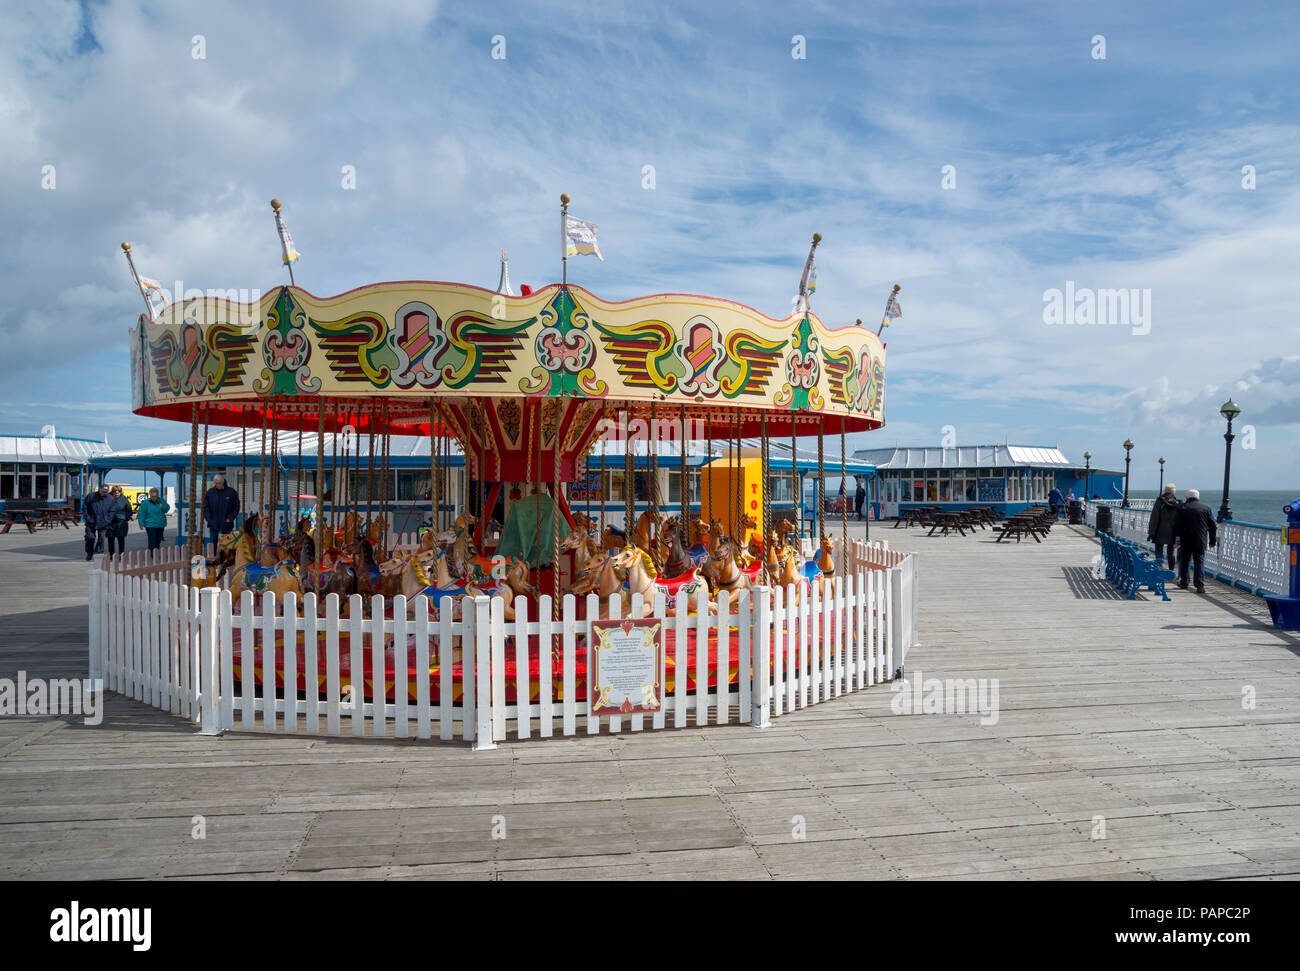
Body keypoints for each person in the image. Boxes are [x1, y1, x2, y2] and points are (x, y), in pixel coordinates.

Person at [1173, 488, 1217, 594]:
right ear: (1198, 497)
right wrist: (1212, 541)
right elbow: (1213, 526)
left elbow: (1177, 526)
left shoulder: (1182, 507)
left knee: (1185, 561)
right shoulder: (1206, 508)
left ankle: (1184, 582)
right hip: (1200, 540)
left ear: (1187, 497)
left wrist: (1176, 541)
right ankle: (1200, 585)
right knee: (1199, 562)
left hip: (1185, 539)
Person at [1146, 482, 1181, 570]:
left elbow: (1154, 518)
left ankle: (1159, 568)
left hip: (1160, 531)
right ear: (1174, 492)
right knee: (1171, 552)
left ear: (1165, 491)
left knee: (1159, 551)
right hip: (1173, 532)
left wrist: (1151, 532)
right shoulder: (1178, 503)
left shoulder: (1160, 501)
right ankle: (1171, 571)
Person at [202, 474, 240, 552]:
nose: (217, 485)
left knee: (228, 542)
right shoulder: (210, 492)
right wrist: (209, 519)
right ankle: (213, 557)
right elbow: (205, 508)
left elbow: (236, 506)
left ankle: (226, 559)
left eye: (219, 483)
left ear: (223, 482)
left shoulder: (231, 492)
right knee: (213, 541)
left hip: (227, 522)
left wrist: (230, 518)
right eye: (216, 483)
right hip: (213, 522)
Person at [82, 483, 110, 561]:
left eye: (106, 492)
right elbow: (84, 507)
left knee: (102, 538)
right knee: (90, 537)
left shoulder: (110, 498)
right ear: (99, 489)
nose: (104, 493)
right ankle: (89, 553)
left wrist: (108, 519)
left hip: (103, 522)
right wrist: (87, 518)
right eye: (103, 491)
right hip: (91, 521)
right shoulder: (91, 496)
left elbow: (112, 510)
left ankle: (98, 553)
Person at [137, 486, 170, 551]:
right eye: (152, 496)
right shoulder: (146, 503)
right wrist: (141, 523)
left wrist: (162, 507)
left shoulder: (161, 500)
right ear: (150, 495)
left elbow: (167, 509)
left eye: (155, 496)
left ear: (158, 495)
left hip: (160, 524)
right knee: (152, 540)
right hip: (150, 525)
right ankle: (152, 554)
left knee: (158, 540)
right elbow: (141, 513)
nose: (154, 498)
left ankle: (156, 553)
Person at [105, 485, 134, 556]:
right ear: (112, 492)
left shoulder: (124, 499)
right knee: (110, 539)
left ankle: (121, 554)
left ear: (120, 492)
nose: (116, 494)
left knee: (121, 539)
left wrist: (126, 518)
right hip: (110, 522)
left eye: (118, 492)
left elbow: (129, 509)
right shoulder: (108, 498)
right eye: (115, 492)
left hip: (121, 522)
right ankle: (111, 555)